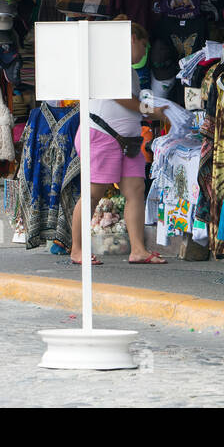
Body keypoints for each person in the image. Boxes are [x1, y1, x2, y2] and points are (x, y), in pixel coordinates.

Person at [69, 20, 166, 265]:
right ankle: (77, 250)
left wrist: (149, 111)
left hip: (127, 141)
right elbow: (121, 96)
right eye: (143, 45)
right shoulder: (110, 63)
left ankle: (138, 250)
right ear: (132, 38)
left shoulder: (129, 70)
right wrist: (150, 109)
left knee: (135, 191)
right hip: (101, 136)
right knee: (93, 193)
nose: (145, 53)